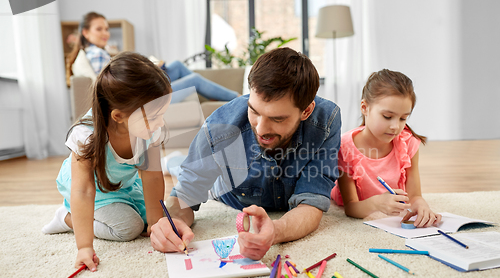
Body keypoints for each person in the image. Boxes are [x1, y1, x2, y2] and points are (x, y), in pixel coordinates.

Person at [150, 47, 342, 260]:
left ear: (306, 111)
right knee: (183, 169)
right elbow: (184, 197)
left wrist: (275, 231)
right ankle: (174, 161)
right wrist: (172, 221)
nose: (260, 129)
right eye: (254, 111)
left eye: (277, 119)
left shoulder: (326, 121)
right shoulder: (218, 128)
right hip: (227, 191)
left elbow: (312, 202)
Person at [42, 52, 171, 271]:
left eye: (163, 113)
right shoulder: (86, 135)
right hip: (91, 188)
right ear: (119, 116)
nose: (161, 123)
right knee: (129, 228)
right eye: (154, 116)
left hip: (122, 184)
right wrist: (84, 247)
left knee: (160, 217)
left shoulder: (150, 130)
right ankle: (67, 217)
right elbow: (83, 190)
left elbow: (153, 177)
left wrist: (156, 225)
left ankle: (130, 211)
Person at [331, 69, 442, 227]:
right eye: (387, 117)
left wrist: (420, 204)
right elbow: (351, 207)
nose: (395, 126)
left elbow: (415, 195)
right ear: (364, 108)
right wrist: (376, 203)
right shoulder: (344, 147)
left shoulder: (407, 142)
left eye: (403, 118)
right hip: (359, 204)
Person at [66, 11, 239, 103]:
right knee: (194, 80)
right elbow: (116, 83)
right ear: (86, 33)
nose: (105, 33)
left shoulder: (95, 53)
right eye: (99, 29)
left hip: (139, 90)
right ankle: (236, 98)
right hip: (141, 97)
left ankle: (219, 96)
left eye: (106, 28)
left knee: (177, 66)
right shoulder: (96, 54)